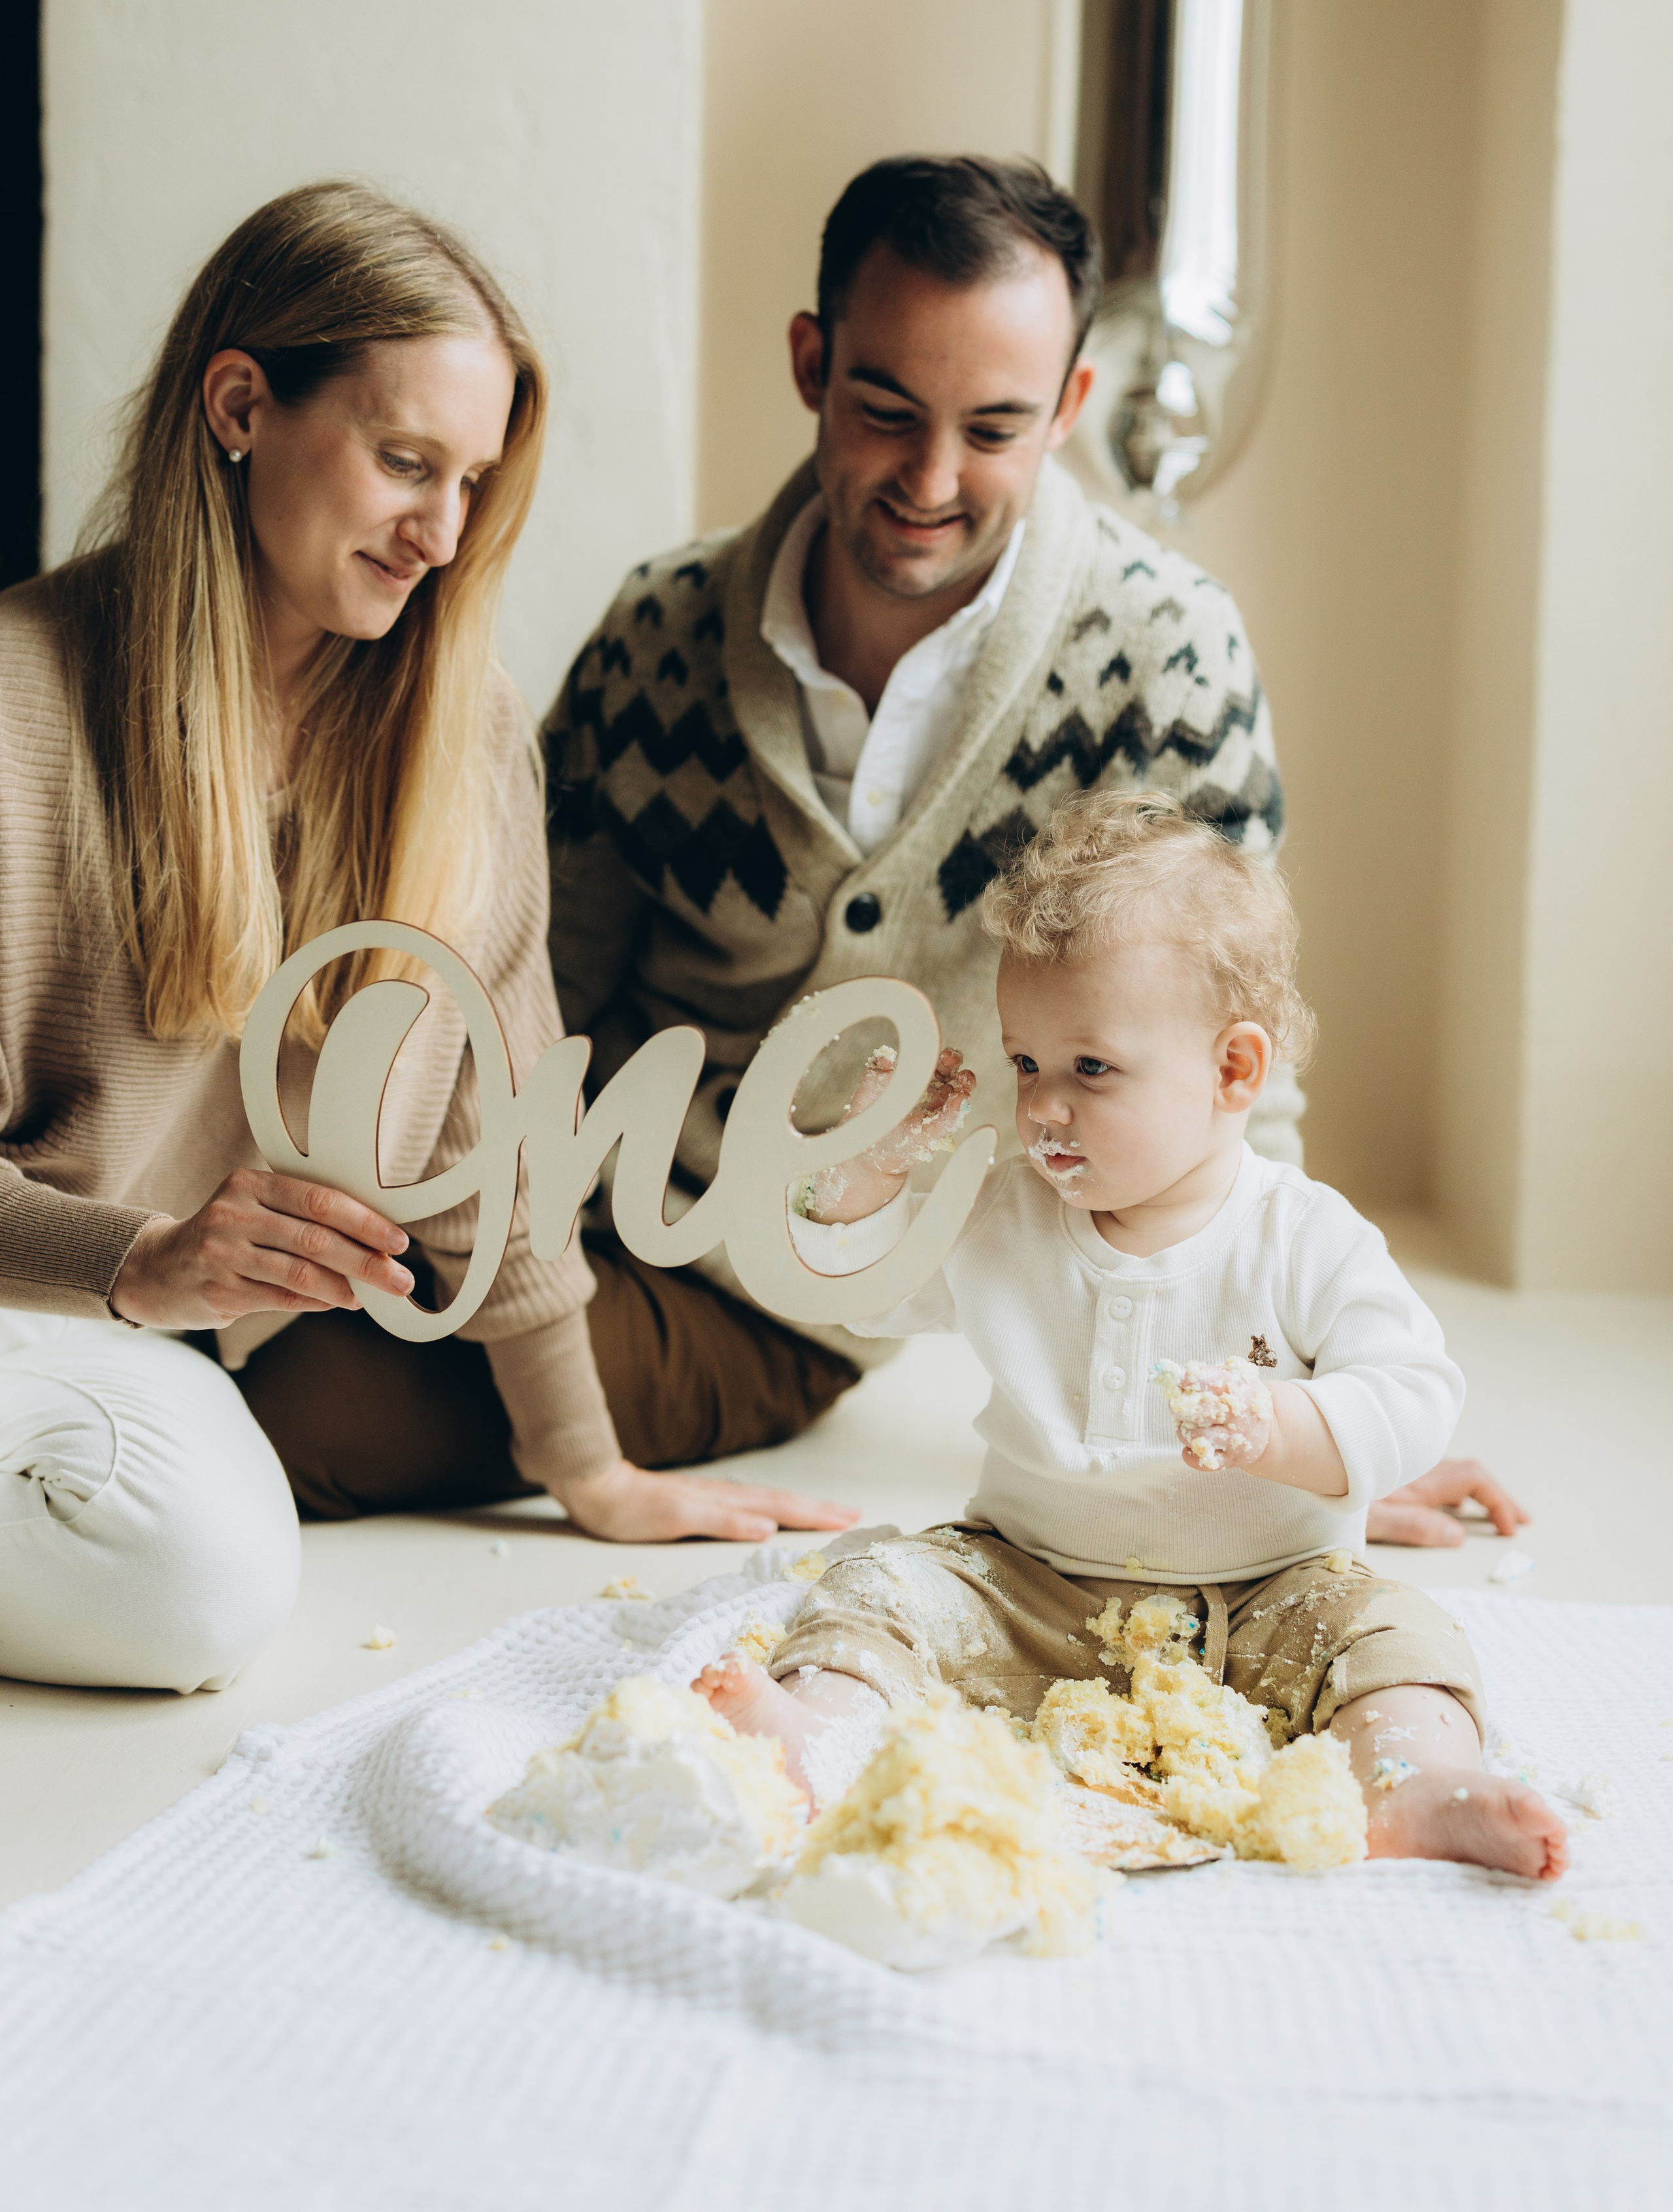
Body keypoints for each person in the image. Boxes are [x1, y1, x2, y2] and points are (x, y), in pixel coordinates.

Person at [543, 152, 1525, 1550]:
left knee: (339, 1411)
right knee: (305, 1320)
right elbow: (535, 985)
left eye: (994, 428)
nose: (930, 480)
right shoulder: (656, 633)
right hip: (570, 1215)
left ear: (1070, 407)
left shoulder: (1162, 652)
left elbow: (1226, 1045)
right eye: (884, 410)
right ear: (810, 364)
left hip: (764, 1294)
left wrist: (1312, 1427)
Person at [0, 182, 848, 1696]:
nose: (441, 534)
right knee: (188, 1568)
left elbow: (500, 1140)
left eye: (471, 483)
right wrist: (141, 1262)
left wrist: (589, 1471)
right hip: (46, 1298)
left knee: (206, 1572)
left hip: (135, 1353)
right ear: (241, 404)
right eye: (405, 463)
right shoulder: (18, 704)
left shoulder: (460, 742)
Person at [697, 792, 1568, 1882]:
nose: (1043, 1110)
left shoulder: (1300, 1235)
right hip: (1026, 1585)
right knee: (879, 1588)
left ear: (1234, 1073)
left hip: (1271, 1591)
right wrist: (871, 1171)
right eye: (1025, 1065)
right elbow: (860, 1293)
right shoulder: (999, 1209)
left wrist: (1286, 1424)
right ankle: (818, 1736)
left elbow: (1414, 1393)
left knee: (1397, 1640)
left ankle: (1412, 1781)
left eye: (1091, 1071)